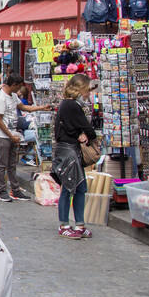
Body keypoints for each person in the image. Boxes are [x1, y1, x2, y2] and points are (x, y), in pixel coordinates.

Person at [53, 73, 97, 239]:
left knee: (78, 187)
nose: (88, 94)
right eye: (87, 90)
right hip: (69, 151)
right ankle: (66, 224)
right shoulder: (71, 105)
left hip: (68, 150)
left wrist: (78, 132)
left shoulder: (67, 104)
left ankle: (78, 224)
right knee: (71, 187)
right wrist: (85, 134)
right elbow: (87, 127)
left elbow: (65, 127)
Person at [0, 74, 31, 202]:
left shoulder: (13, 96)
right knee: (2, 164)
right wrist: (10, 135)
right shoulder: (1, 98)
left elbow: (23, 107)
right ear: (13, 85)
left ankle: (15, 190)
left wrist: (41, 108)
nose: (19, 90)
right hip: (2, 136)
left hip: (12, 134)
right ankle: (2, 190)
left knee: (12, 164)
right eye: (19, 87)